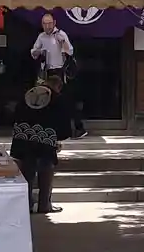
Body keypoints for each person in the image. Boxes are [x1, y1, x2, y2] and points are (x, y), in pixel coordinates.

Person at [10, 73, 73, 214]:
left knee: (27, 171)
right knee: (46, 169)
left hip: (24, 138)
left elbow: (15, 115)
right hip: (45, 140)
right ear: (58, 86)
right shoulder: (57, 99)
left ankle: (26, 204)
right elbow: (64, 123)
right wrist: (59, 139)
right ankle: (44, 204)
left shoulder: (28, 94)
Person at [30, 13, 87, 138]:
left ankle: (79, 128)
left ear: (54, 23)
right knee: (47, 101)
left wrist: (63, 42)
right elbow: (33, 53)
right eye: (45, 24)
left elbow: (70, 51)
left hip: (61, 72)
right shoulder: (41, 37)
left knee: (67, 101)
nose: (47, 26)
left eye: (49, 23)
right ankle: (50, 130)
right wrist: (38, 51)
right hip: (47, 72)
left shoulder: (61, 34)